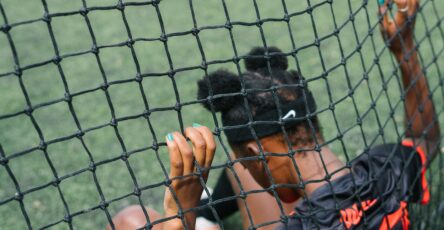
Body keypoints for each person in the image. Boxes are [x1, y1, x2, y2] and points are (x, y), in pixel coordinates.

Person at [107, 0, 440, 229]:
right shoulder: (385, 170)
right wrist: (403, 47)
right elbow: (425, 137)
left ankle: (203, 214)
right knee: (241, 172)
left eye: (248, 158)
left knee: (131, 221)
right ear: (312, 125)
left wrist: (182, 215)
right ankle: (211, 210)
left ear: (257, 152)